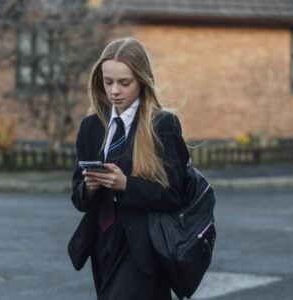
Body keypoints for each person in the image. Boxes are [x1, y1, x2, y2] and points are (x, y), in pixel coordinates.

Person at [67, 37, 191, 299]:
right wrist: (88, 187)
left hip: (143, 247)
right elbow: (78, 197)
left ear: (142, 80)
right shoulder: (91, 126)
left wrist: (126, 185)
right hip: (103, 243)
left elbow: (175, 194)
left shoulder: (162, 125)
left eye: (124, 83)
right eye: (108, 81)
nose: (114, 91)